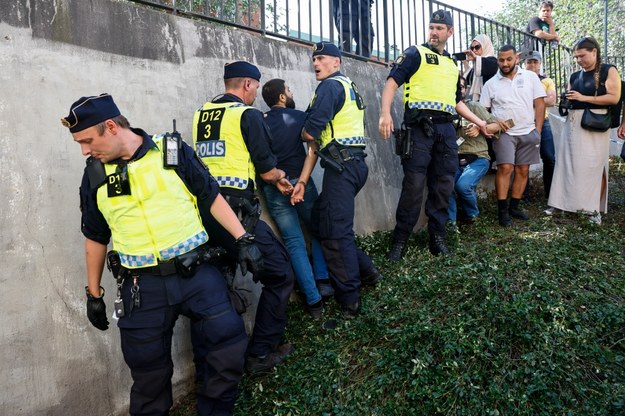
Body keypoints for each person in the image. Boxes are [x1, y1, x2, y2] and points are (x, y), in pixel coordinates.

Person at [62, 93, 263, 415]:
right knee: (148, 375)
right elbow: (95, 236)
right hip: (142, 288)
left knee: (226, 350)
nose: (85, 151)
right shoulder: (95, 175)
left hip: (196, 273)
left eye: (87, 141)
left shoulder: (170, 151)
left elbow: (210, 195)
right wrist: (94, 293)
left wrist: (243, 239)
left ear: (111, 127)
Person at [192, 61, 296, 374]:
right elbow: (265, 169)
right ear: (248, 85)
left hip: (204, 215)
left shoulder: (201, 114)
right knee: (280, 274)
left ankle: (209, 367)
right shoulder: (246, 114)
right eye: (254, 89)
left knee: (214, 290)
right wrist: (279, 175)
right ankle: (259, 355)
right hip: (237, 215)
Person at [378, 10, 489, 260]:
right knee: (414, 186)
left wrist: (480, 121)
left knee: (443, 185)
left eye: (440, 28)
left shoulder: (451, 65)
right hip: (419, 129)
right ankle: (400, 240)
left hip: (446, 130)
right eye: (431, 27)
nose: (434, 32)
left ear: (450, 32)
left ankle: (437, 237)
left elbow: (457, 102)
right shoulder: (415, 53)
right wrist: (385, 113)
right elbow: (391, 83)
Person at [298, 41, 382, 319]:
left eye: (321, 58)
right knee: (324, 222)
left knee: (336, 233)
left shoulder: (331, 87)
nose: (315, 63)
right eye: (314, 59)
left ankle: (350, 300)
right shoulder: (347, 85)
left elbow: (310, 133)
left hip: (342, 168)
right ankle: (367, 270)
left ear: (337, 62)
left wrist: (300, 128)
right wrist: (302, 181)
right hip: (351, 165)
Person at [259, 78, 332, 319]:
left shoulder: (260, 121)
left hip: (274, 185)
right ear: (282, 97)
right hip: (301, 182)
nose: (291, 93)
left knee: (294, 242)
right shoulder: (299, 117)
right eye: (289, 90)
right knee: (318, 229)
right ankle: (323, 280)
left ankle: (314, 302)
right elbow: (313, 144)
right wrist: (300, 181)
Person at [549, 37, 621, 224]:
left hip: (595, 121)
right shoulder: (575, 76)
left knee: (594, 167)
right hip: (573, 121)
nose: (579, 60)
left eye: (582, 55)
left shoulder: (608, 70)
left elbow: (613, 98)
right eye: (576, 57)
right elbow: (573, 98)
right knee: (568, 165)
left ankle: (593, 209)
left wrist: (584, 97)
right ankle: (566, 205)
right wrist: (566, 98)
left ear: (594, 52)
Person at [480, 44, 546, 227]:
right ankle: (502, 211)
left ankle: (515, 207)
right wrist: (492, 120)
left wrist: (537, 130)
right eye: (501, 60)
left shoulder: (531, 77)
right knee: (505, 169)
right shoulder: (490, 84)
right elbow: (482, 110)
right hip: (504, 134)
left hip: (528, 131)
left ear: (516, 58)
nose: (505, 63)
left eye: (509, 59)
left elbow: (540, 104)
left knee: (523, 170)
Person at [449, 77, 506, 226]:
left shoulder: (474, 106)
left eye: (461, 86)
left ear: (466, 89)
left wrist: (480, 127)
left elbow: (498, 125)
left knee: (463, 186)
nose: (459, 89)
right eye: (455, 86)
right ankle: (450, 224)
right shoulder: (444, 108)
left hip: (478, 157)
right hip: (452, 158)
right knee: (445, 186)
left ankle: (473, 217)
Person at [523, 50, 557, 199]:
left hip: (545, 122)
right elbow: (545, 100)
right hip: (525, 123)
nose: (532, 64)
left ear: (540, 63)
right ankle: (523, 195)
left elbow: (552, 100)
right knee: (524, 160)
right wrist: (540, 101)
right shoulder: (519, 80)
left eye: (535, 62)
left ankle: (551, 194)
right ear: (525, 63)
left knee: (549, 157)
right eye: (529, 62)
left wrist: (529, 101)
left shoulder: (546, 80)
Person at [461, 34, 498, 102]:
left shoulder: (493, 61)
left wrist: (475, 58)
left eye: (477, 47)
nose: (474, 50)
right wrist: (465, 62)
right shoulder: (477, 66)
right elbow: (468, 77)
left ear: (485, 45)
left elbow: (486, 66)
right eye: (472, 48)